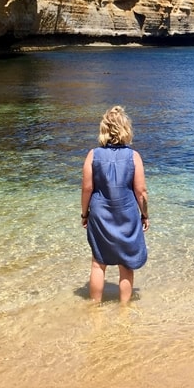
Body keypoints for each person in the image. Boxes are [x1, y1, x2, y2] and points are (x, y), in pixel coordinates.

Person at [81, 105, 149, 304]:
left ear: (103, 129)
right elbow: (141, 192)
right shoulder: (134, 156)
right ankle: (125, 310)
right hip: (127, 214)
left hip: (100, 214)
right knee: (126, 264)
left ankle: (94, 308)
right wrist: (145, 215)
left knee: (98, 263)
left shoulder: (93, 155)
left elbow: (87, 189)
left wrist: (84, 214)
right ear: (125, 129)